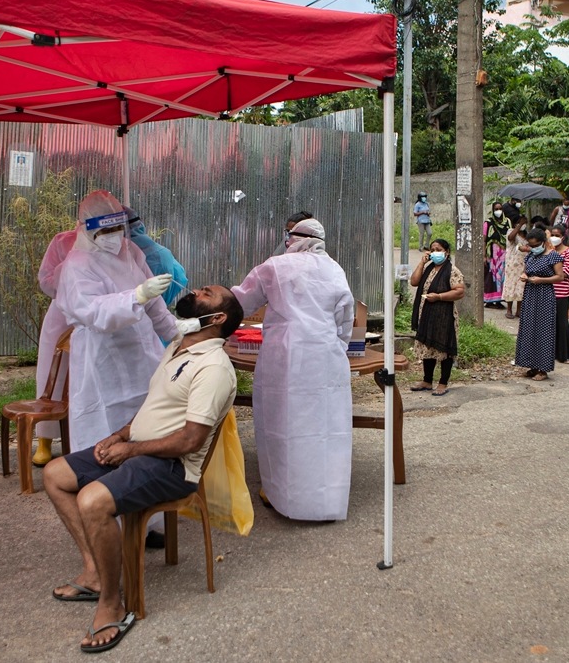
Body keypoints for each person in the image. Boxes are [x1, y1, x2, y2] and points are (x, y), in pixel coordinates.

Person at [43, 285, 243, 653]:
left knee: (92, 501)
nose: (196, 291)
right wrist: (119, 436)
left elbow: (190, 441)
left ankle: (112, 604)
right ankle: (95, 573)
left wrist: (130, 450)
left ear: (217, 318)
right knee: (55, 474)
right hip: (140, 450)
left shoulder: (214, 367)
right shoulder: (178, 346)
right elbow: (154, 408)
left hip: (173, 468)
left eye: (207, 294)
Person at [232, 217, 355, 520]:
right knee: (326, 428)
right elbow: (345, 317)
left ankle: (281, 495)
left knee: (282, 426)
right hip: (325, 356)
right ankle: (327, 501)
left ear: (294, 238)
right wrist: (337, 346)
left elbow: (240, 302)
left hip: (284, 357)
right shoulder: (335, 269)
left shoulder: (275, 266)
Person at [54, 190, 179, 452]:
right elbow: (93, 312)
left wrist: (176, 331)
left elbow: (153, 303)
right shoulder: (77, 264)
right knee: (104, 431)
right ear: (86, 228)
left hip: (141, 354)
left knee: (147, 423)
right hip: (102, 358)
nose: (113, 236)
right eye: (105, 230)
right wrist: (136, 296)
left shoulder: (129, 250)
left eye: (117, 228)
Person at [32, 228, 77, 466]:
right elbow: (46, 280)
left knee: (91, 379)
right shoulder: (62, 240)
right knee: (51, 376)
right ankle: (45, 441)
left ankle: (84, 441)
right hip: (61, 314)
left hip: (100, 311)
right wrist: (68, 274)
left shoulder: (120, 243)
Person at [409, 239, 466, 395]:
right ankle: (427, 381)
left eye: (438, 249)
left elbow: (459, 292)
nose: (435, 253)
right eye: (432, 250)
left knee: (444, 346)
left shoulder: (452, 270)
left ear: (446, 252)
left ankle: (443, 383)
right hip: (426, 313)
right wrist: (422, 263)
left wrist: (439, 297)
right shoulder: (428, 269)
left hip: (444, 315)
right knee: (428, 345)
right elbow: (414, 282)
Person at [514, 228, 565, 381]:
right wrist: (524, 276)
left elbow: (560, 277)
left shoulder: (553, 256)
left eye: (536, 245)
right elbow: (526, 271)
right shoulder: (530, 255)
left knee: (544, 330)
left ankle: (543, 369)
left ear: (543, 242)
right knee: (529, 328)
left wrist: (541, 280)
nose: (533, 247)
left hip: (545, 295)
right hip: (530, 295)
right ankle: (532, 366)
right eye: (530, 245)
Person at [127, 207, 188, 306]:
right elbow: (181, 278)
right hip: (159, 307)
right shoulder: (163, 253)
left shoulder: (119, 253)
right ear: (140, 223)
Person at [548, 225, 569, 364]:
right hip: (548, 291)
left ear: (563, 237)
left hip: (562, 292)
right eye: (552, 235)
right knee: (551, 323)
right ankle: (554, 352)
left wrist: (547, 275)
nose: (554, 237)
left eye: (557, 235)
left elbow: (565, 273)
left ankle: (567, 354)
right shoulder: (549, 251)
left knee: (562, 322)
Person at [483, 202, 509, 309]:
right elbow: (484, 240)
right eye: (496, 209)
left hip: (504, 254)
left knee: (502, 277)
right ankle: (489, 300)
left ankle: (499, 300)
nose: (498, 211)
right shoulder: (488, 223)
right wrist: (484, 255)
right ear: (493, 210)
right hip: (492, 255)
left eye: (500, 208)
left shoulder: (507, 222)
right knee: (491, 277)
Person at [503, 216, 529, 319]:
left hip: (523, 263)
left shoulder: (526, 235)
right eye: (520, 222)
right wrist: (519, 225)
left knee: (521, 286)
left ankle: (519, 310)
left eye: (524, 223)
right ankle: (509, 309)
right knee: (511, 285)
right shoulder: (511, 231)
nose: (523, 225)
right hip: (512, 263)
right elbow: (510, 238)